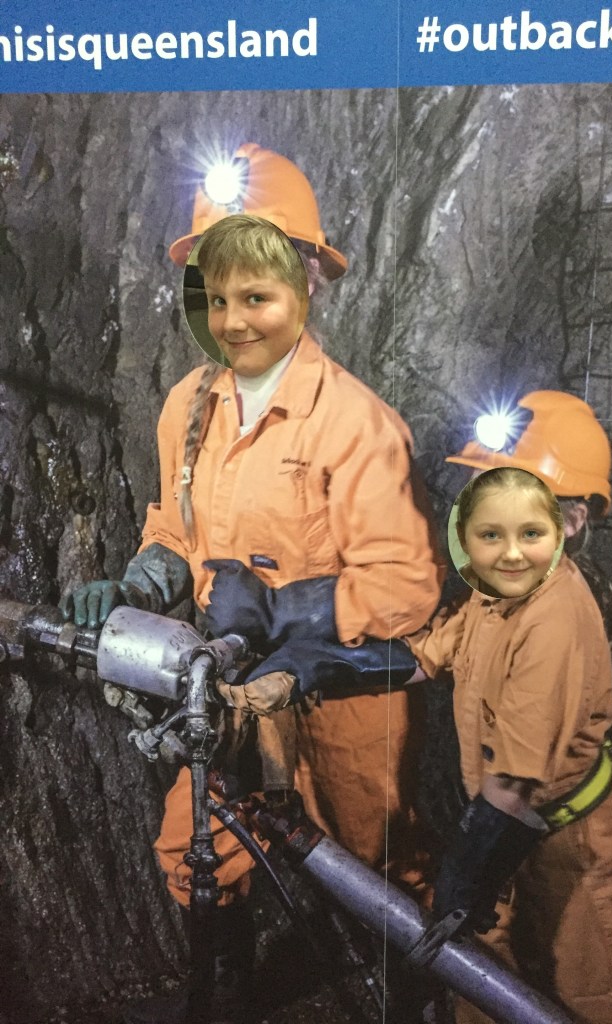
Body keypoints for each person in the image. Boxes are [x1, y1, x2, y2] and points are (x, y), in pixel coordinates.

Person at [61, 155, 441, 1022]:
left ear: (308, 281)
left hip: (344, 699)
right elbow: (175, 530)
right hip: (228, 686)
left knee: (376, 864)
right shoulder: (187, 407)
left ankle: (410, 999)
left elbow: (408, 586)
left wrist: (283, 610)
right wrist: (136, 583)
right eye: (215, 286)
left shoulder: (356, 424)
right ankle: (223, 997)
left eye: (256, 285)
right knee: (194, 847)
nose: (232, 312)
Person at [240, 394, 612, 1024]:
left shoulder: (554, 620)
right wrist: (315, 664)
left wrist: (462, 882)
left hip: (574, 837)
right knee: (477, 982)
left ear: (572, 520)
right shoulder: (497, 593)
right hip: (507, 825)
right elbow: (424, 656)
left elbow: (513, 782)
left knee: (595, 997)